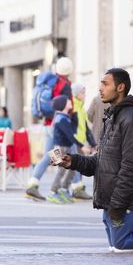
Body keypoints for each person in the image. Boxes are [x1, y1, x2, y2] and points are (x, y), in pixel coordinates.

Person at [55, 68, 133, 250]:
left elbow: (132, 167)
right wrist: (73, 161)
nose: (100, 88)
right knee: (118, 242)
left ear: (120, 87)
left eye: (105, 84)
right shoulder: (112, 117)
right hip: (110, 201)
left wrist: (118, 205)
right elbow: (101, 161)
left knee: (122, 242)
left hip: (124, 202)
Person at [24, 57, 74, 201]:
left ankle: (34, 185)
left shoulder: (51, 82)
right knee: (66, 154)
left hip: (48, 123)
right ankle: (60, 188)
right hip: (58, 125)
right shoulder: (64, 85)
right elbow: (68, 106)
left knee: (57, 155)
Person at [45, 95, 87, 204]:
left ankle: (63, 189)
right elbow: (70, 136)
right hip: (59, 148)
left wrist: (75, 116)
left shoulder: (64, 117)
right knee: (61, 171)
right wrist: (82, 146)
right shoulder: (60, 119)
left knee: (72, 169)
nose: (70, 101)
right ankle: (52, 192)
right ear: (63, 105)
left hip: (65, 147)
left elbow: (73, 130)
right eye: (67, 101)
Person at [70, 83, 96, 200]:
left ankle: (77, 191)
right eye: (83, 93)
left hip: (80, 141)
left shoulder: (81, 107)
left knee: (79, 166)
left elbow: (85, 128)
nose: (85, 95)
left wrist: (93, 143)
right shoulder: (73, 107)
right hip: (73, 141)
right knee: (74, 165)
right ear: (76, 94)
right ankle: (75, 190)